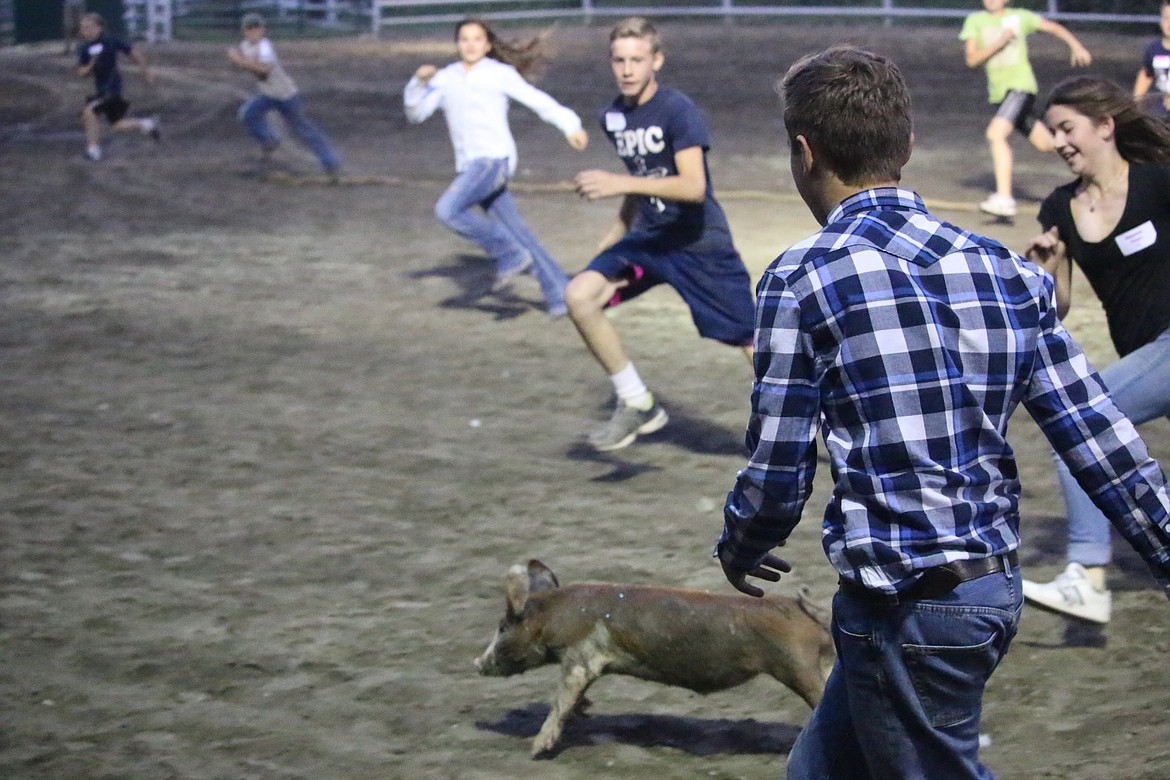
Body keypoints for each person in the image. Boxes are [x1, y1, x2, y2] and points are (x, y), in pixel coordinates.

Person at [715, 45, 1170, 779]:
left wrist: (743, 541)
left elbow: (778, 468)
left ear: (804, 153)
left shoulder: (802, 278)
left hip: (905, 607)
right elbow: (1099, 439)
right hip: (987, 589)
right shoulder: (1005, 272)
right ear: (908, 144)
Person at [1021, 75, 1170, 624]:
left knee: (1077, 429)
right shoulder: (1060, 208)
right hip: (1151, 354)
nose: (1059, 141)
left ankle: (1086, 574)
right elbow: (1056, 310)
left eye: (1068, 128)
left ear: (1105, 127)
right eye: (1052, 132)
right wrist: (1045, 272)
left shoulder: (1158, 182)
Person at [567, 17, 755, 451]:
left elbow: (693, 187)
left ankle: (826, 425)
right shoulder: (613, 117)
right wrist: (617, 230)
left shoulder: (678, 111)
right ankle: (638, 402)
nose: (627, 69)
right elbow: (640, 176)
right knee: (580, 296)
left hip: (697, 243)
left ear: (657, 61)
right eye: (619, 60)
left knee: (750, 341)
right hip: (648, 242)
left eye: (637, 59)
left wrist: (620, 184)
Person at [404, 18, 588, 317]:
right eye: (465, 39)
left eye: (477, 39)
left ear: (487, 45)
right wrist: (418, 83)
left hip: (493, 162)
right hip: (472, 167)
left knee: (447, 210)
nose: (471, 44)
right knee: (519, 232)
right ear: (457, 44)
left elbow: (536, 100)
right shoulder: (446, 78)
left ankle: (508, 252)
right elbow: (417, 113)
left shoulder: (499, 74)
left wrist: (570, 125)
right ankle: (559, 294)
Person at [960, 0, 1091, 218]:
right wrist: (999, 42)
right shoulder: (975, 21)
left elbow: (1053, 27)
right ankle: (1095, 166)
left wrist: (1076, 45)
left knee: (995, 134)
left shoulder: (1020, 17)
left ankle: (1004, 198)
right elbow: (972, 59)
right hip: (1000, 95)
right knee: (1048, 144)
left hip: (1020, 89)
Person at [228, 13, 342, 177]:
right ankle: (268, 140)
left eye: (257, 29)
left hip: (286, 95)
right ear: (244, 31)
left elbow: (264, 69)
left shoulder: (265, 47)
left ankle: (330, 161)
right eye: (249, 29)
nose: (254, 32)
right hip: (268, 94)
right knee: (247, 114)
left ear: (262, 30)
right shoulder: (245, 46)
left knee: (303, 129)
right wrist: (236, 60)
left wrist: (239, 60)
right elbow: (242, 66)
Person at [75, 12, 160, 162]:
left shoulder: (111, 41)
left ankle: (93, 150)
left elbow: (135, 54)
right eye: (83, 28)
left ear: (99, 28)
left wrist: (146, 73)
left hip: (112, 89)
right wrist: (89, 66)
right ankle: (146, 124)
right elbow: (81, 72)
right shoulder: (84, 48)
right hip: (102, 90)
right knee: (117, 124)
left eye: (89, 27)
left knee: (89, 112)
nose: (85, 31)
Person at [1133, 0, 1170, 118]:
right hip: (1161, 112)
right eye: (1166, 18)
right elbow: (1147, 74)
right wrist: (1136, 104)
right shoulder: (1153, 49)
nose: (1169, 23)